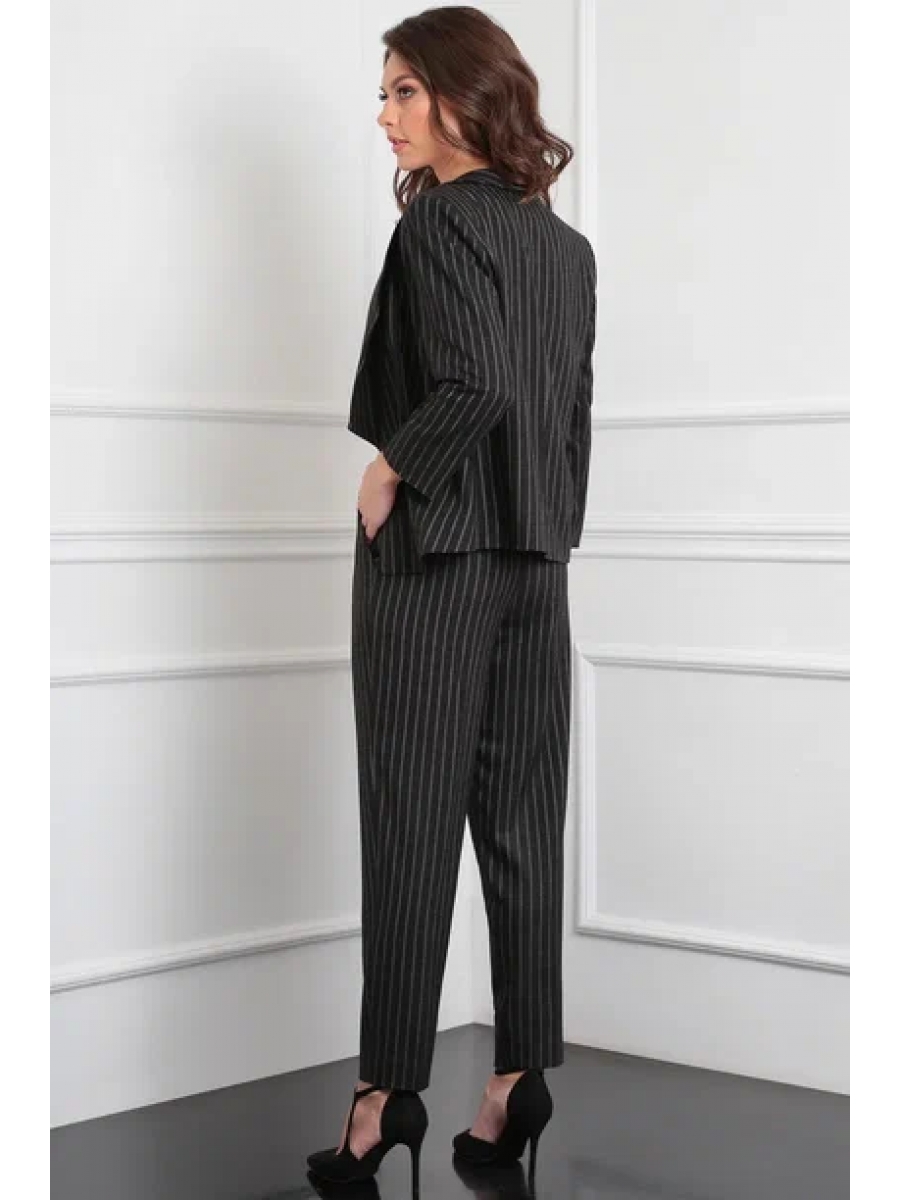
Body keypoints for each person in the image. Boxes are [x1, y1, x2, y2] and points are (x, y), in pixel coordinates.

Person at [308, 6, 596, 1191]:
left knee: (410, 828)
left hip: (434, 561)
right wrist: (550, 530)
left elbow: (472, 385)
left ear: (465, 95)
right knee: (524, 826)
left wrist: (389, 471)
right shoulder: (566, 249)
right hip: (536, 564)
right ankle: (514, 1082)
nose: (383, 114)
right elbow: (569, 416)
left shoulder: (437, 224)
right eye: (385, 92)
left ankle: (382, 1099)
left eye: (403, 91)